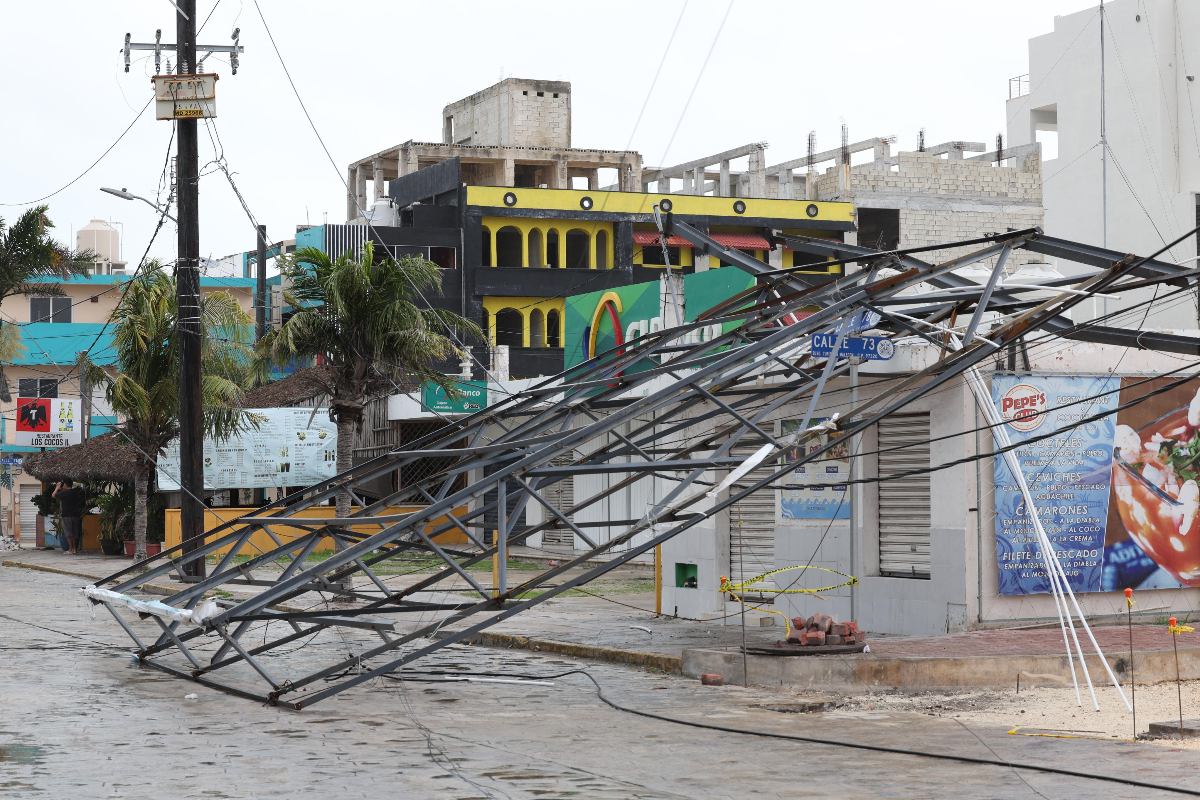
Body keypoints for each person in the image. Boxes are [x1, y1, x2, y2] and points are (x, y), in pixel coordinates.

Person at [52, 479, 86, 555]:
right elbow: (68, 492)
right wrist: (63, 488)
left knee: (68, 533)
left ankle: (70, 549)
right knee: (75, 532)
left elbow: (53, 495)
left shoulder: (64, 492)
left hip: (67, 515)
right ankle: (75, 549)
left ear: (66, 485)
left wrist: (57, 488)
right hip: (75, 514)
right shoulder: (75, 492)